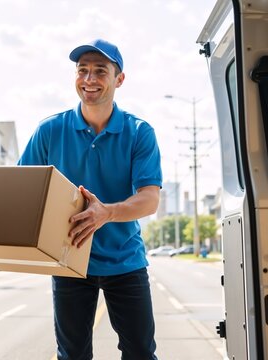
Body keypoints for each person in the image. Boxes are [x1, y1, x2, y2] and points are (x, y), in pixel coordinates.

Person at [18, 39, 162, 360]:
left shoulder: (139, 132)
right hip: (70, 262)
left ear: (119, 79)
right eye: (82, 71)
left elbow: (149, 200)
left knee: (140, 352)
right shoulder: (50, 131)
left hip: (125, 260)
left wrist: (105, 213)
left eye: (100, 71)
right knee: (72, 355)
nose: (89, 79)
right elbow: (24, 189)